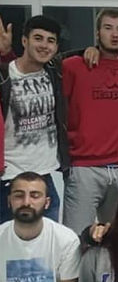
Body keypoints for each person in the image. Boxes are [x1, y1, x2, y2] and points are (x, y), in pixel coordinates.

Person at [61, 8, 118, 234]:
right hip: (84, 168)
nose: (114, 34)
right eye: (108, 28)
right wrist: (84, 50)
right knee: (76, 238)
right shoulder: (74, 66)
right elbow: (46, 65)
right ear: (98, 33)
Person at [0, 15, 69, 223]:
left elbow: (80, 55)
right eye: (38, 38)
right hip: (9, 177)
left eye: (51, 41)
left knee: (47, 239)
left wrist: (92, 50)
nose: (44, 45)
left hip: (44, 176)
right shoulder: (4, 75)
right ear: (24, 41)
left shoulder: (54, 72)